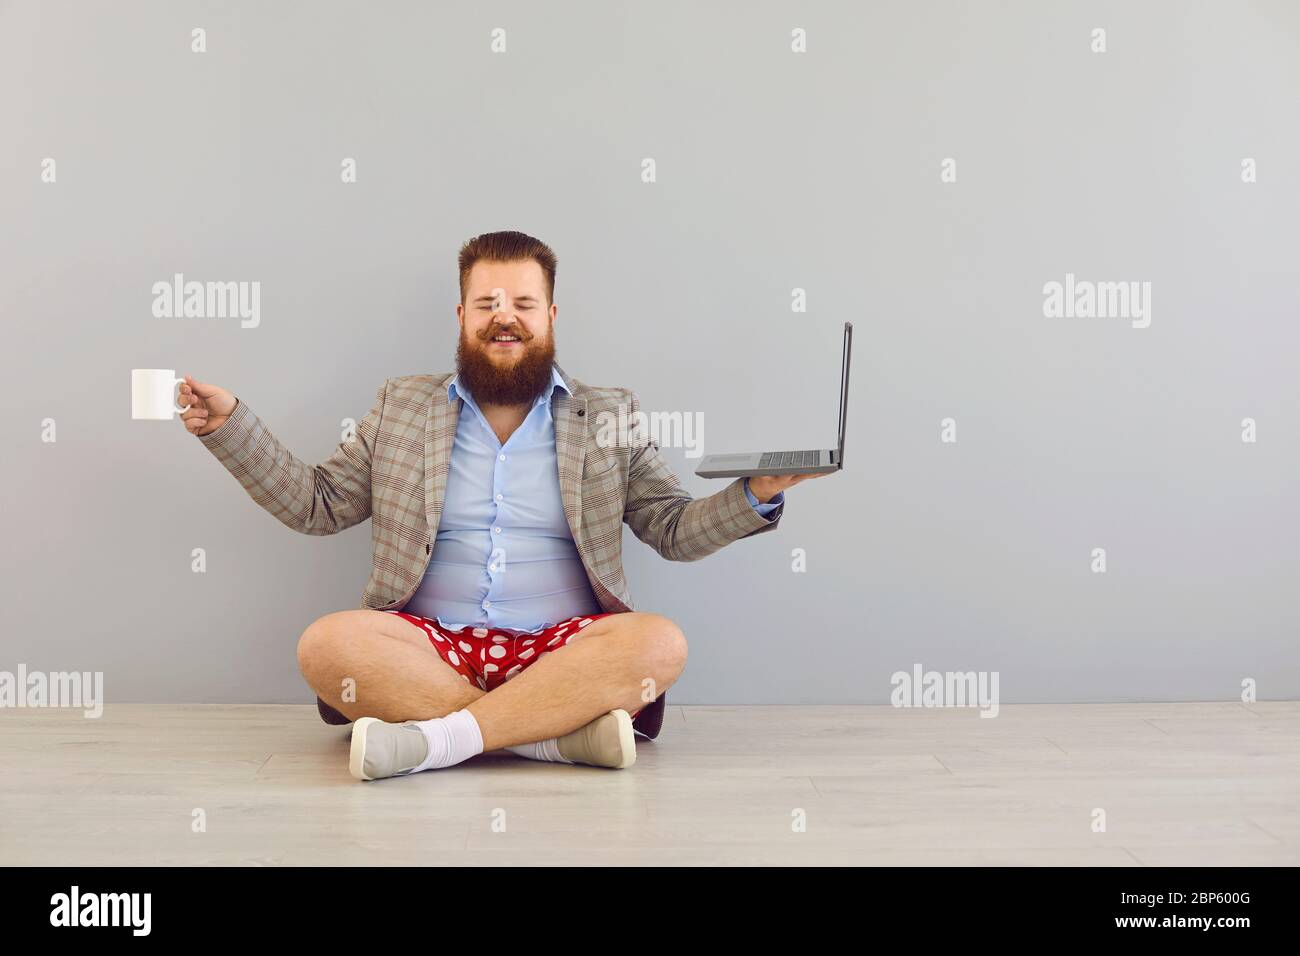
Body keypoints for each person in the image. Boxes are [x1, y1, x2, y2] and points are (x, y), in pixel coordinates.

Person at [182, 230, 824, 781]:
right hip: (426, 648)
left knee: (659, 643)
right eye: (487, 303)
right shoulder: (402, 405)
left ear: (551, 314)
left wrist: (756, 495)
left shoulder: (609, 412)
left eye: (522, 302)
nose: (504, 317)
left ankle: (437, 742)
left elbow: (673, 529)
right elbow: (316, 506)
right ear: (461, 313)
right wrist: (230, 426)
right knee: (326, 645)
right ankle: (552, 737)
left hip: (566, 647)